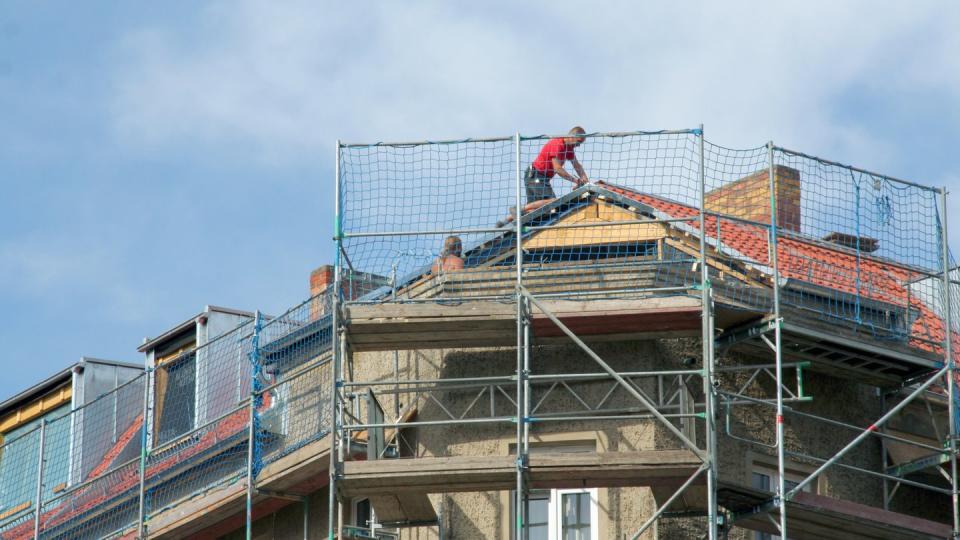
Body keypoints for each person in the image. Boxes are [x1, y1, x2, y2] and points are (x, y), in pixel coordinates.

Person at [498, 127, 590, 226]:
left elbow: (576, 165)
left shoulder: (569, 148)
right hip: (536, 175)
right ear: (572, 137)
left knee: (537, 212)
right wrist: (575, 180)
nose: (578, 145)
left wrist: (585, 180)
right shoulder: (558, 144)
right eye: (578, 142)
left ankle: (504, 221)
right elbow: (558, 168)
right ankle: (518, 209)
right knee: (553, 202)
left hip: (537, 177)